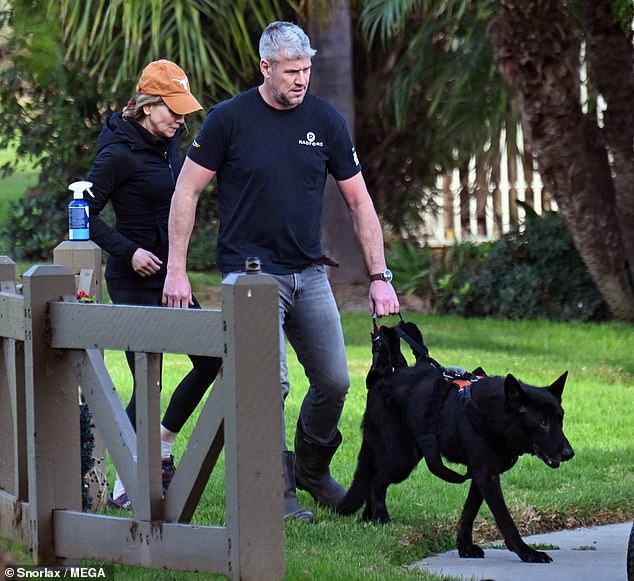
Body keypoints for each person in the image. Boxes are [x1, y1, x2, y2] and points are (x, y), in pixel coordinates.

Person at [162, 22, 399, 523]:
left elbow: (359, 201)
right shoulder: (229, 120)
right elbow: (186, 192)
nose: (302, 80)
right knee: (269, 384)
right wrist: (177, 272)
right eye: (292, 71)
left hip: (308, 273)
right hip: (249, 277)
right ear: (266, 67)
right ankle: (276, 490)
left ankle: (312, 469)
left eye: (307, 70)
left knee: (334, 380)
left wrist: (379, 277)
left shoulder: (325, 121)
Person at [86, 59, 222, 510]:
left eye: (184, 112)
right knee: (149, 382)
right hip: (132, 279)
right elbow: (80, 219)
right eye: (173, 111)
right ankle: (127, 480)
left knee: (210, 361)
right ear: (147, 106)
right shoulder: (117, 153)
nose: (181, 120)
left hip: (171, 277)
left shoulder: (170, 145)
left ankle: (162, 445)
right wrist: (128, 251)